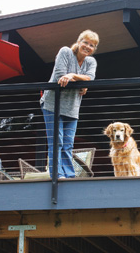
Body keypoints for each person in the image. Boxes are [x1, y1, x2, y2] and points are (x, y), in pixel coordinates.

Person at [40, 30, 98, 178]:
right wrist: (81, 82)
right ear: (78, 42)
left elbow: (90, 78)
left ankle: (69, 176)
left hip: (72, 108)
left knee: (68, 144)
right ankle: (57, 175)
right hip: (53, 104)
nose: (87, 46)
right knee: (56, 141)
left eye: (92, 45)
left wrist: (72, 75)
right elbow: (60, 76)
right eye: (85, 42)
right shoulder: (65, 52)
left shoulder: (91, 62)